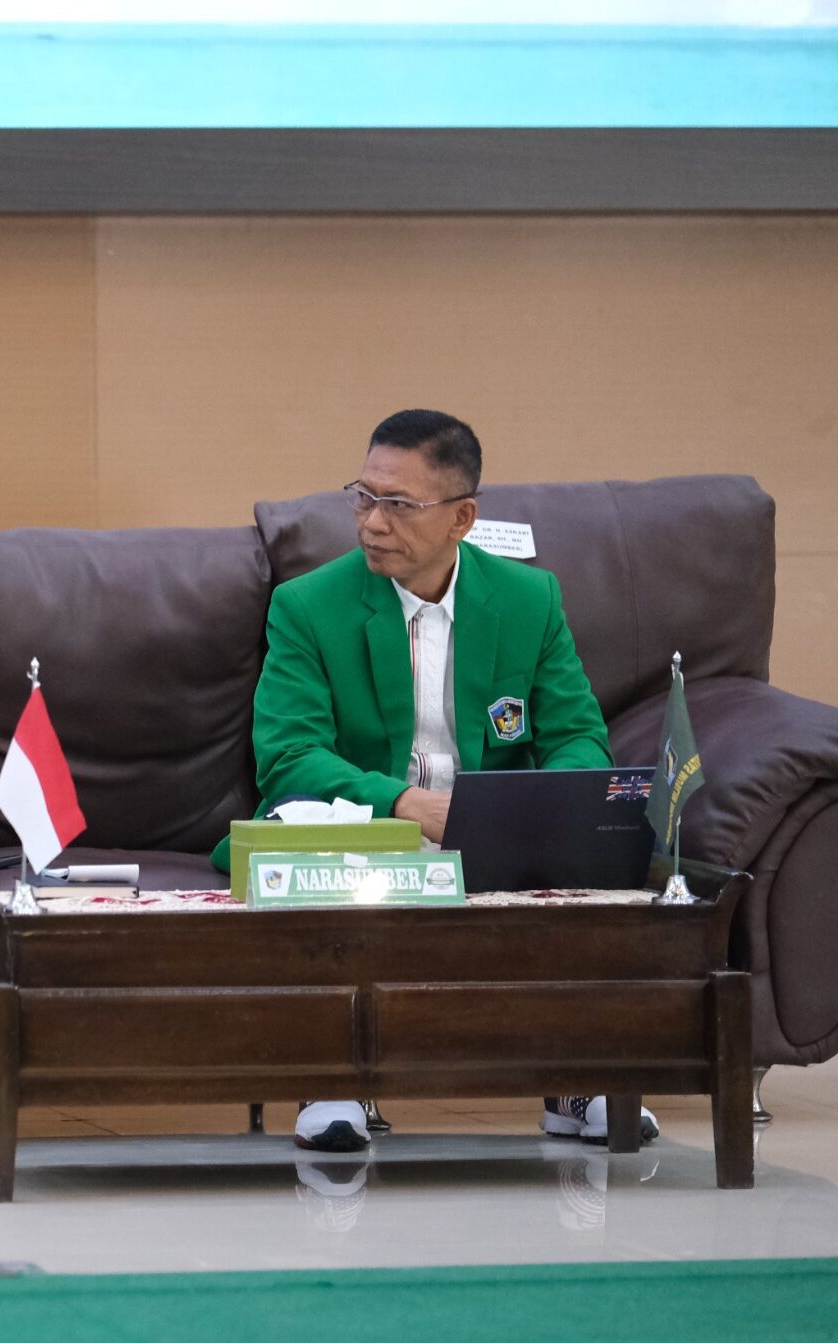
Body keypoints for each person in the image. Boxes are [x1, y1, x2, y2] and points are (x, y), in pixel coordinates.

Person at [228, 409, 654, 1152]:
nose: (373, 523)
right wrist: (406, 804)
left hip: (495, 834)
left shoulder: (529, 600)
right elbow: (290, 754)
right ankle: (335, 1079)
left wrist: (533, 808)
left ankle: (574, 1081)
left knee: (590, 856)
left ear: (462, 518)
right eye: (365, 497)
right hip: (367, 830)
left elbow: (577, 736)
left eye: (399, 504)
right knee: (331, 866)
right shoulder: (308, 606)